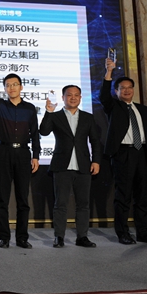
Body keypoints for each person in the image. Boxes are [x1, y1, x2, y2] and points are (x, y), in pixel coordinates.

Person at [0, 52, 40, 249]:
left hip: (23, 154)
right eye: (8, 85)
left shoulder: (30, 108)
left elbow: (35, 134)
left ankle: (22, 238)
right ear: (5, 88)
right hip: (3, 153)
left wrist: (36, 156)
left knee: (23, 199)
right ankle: (4, 237)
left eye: (15, 84)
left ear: (21, 87)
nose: (12, 87)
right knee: (2, 198)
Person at [100, 57, 147, 245]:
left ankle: (143, 232)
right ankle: (123, 233)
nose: (126, 90)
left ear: (133, 90)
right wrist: (109, 72)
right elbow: (103, 96)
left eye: (129, 87)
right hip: (123, 154)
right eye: (122, 88)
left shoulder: (143, 109)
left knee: (142, 196)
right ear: (116, 91)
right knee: (123, 196)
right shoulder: (114, 106)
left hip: (142, 154)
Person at [39, 85, 102, 248]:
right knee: (61, 203)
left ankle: (82, 237)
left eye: (76, 95)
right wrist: (48, 112)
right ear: (63, 98)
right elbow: (43, 131)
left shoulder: (88, 117)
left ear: (80, 98)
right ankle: (59, 237)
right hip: (62, 166)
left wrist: (96, 161)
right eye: (69, 95)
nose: (73, 98)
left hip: (83, 165)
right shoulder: (56, 116)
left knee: (83, 204)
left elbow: (95, 141)